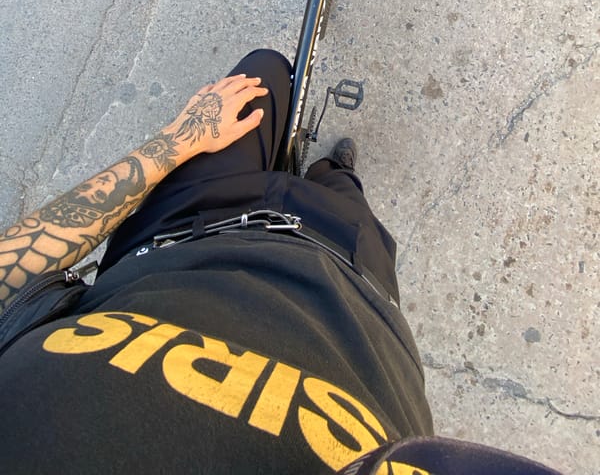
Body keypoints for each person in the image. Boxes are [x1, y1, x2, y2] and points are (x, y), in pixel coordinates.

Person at [0, 50, 561, 474]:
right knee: (342, 189)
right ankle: (334, 173)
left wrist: (181, 137)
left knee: (264, 72)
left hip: (176, 233)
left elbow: (14, 265)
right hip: (346, 276)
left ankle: (327, 172)